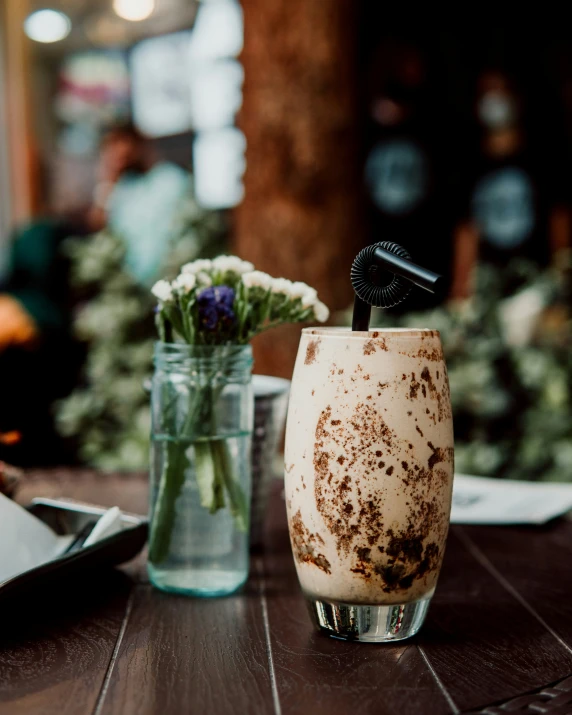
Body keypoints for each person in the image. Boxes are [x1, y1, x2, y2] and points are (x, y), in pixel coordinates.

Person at [450, 69, 571, 300]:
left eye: (500, 91)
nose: (494, 100)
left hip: (536, 281)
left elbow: (559, 218)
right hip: (489, 283)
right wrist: (461, 289)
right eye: (487, 92)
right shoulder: (470, 164)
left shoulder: (541, 157)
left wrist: (561, 279)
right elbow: (467, 230)